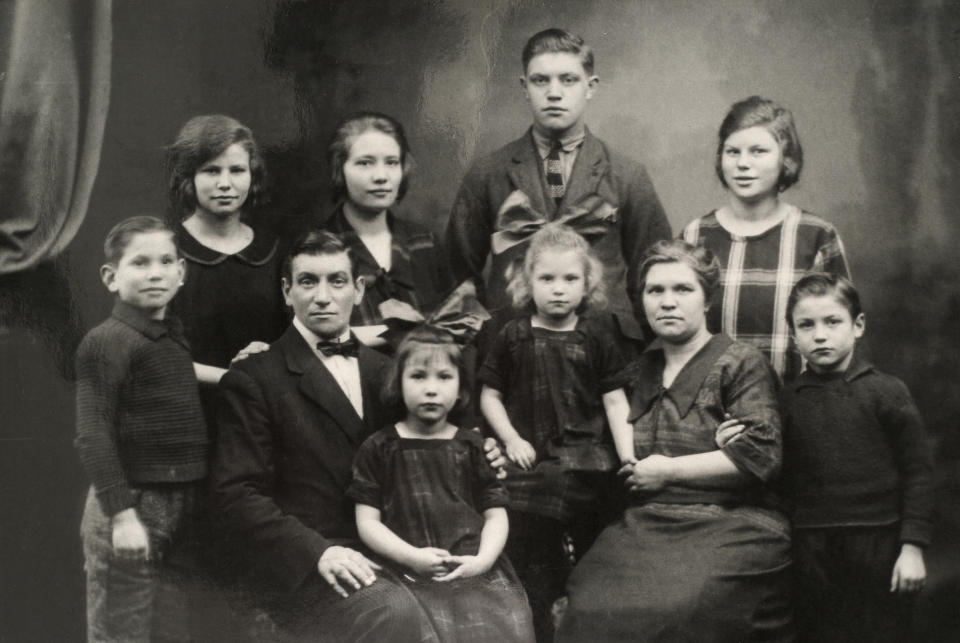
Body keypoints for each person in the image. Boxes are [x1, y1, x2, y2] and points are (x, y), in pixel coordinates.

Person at [210, 230, 502, 641]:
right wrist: (319, 552)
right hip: (310, 564)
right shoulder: (255, 377)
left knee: (487, 608)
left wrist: (479, 451)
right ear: (287, 291)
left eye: (337, 281)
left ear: (359, 289)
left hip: (398, 549)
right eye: (308, 281)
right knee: (395, 612)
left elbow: (435, 441)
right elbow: (237, 493)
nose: (323, 296)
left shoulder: (390, 373)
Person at [557, 239, 793, 642]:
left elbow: (761, 456)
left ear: (707, 300)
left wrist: (669, 470)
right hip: (645, 525)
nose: (667, 302)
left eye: (682, 289)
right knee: (587, 608)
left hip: (733, 521)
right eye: (655, 290)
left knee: (682, 609)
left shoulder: (740, 363)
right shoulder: (634, 371)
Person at [446, 28, 671, 343]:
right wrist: (478, 346)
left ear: (590, 87)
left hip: (604, 352)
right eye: (541, 80)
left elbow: (656, 271)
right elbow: (458, 276)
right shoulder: (488, 173)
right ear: (525, 87)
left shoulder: (627, 175)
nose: (554, 92)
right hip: (512, 351)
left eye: (568, 80)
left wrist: (643, 353)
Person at [478, 223, 635, 641]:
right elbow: (489, 396)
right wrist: (511, 438)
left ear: (588, 284)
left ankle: (585, 623)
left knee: (596, 556)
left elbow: (615, 401)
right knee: (532, 559)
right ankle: (537, 623)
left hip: (588, 460)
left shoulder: (597, 337)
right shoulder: (513, 335)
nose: (559, 289)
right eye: (547, 278)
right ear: (528, 282)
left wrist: (628, 455)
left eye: (570, 279)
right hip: (531, 461)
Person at [348, 326, 535, 643]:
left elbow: (495, 514)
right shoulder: (379, 448)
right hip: (407, 572)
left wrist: (483, 561)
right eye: (418, 376)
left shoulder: (472, 447)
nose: (431, 389)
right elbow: (367, 522)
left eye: (444, 377)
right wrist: (410, 557)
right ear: (398, 382)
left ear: (461, 388)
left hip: (472, 571)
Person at [780, 273, 934, 642]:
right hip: (810, 548)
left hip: (879, 543)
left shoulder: (887, 392)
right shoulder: (786, 401)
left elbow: (919, 473)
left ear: (858, 325)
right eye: (806, 325)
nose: (819, 335)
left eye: (832, 322)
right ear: (792, 334)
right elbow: (778, 477)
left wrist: (912, 547)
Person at [75, 216, 206, 642]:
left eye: (166, 261)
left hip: (178, 508)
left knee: (170, 631)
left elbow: (178, 378)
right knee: (121, 633)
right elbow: (93, 433)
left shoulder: (168, 337)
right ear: (112, 278)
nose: (155, 273)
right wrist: (123, 516)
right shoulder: (106, 341)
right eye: (140, 263)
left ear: (181, 273)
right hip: (132, 504)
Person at [681, 96, 849, 382]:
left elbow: (840, 332)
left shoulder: (816, 235)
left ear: (786, 159)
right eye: (733, 152)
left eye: (758, 151)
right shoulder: (696, 235)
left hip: (798, 406)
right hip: (713, 411)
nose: (743, 164)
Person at [165, 114, 286, 424]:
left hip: (266, 416)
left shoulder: (274, 252)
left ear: (252, 175)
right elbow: (155, 357)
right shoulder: (166, 253)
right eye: (211, 171)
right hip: (190, 419)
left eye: (237, 170)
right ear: (188, 177)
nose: (225, 184)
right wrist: (234, 380)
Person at [321, 112, 451, 349]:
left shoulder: (425, 243)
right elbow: (310, 345)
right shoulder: (315, 250)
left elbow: (459, 332)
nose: (381, 176)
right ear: (340, 169)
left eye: (391, 162)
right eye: (365, 163)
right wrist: (394, 331)